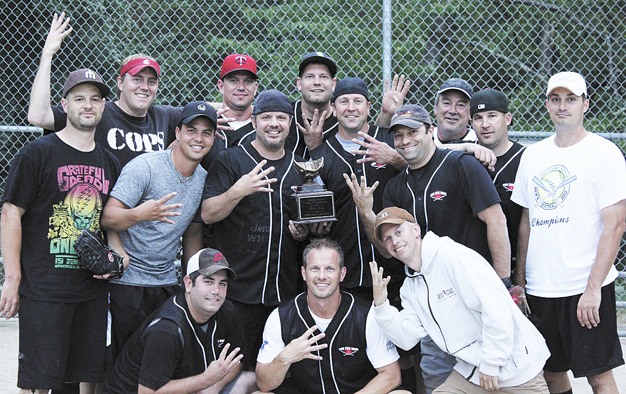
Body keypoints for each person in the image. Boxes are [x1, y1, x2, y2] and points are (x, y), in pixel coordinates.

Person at [347, 104, 511, 393]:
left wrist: (504, 283)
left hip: (472, 297)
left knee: (494, 378)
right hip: (430, 303)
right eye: (398, 135)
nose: (406, 140)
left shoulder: (461, 165)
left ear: (431, 131)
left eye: (413, 132)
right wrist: (366, 212)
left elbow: (496, 221)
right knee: (437, 378)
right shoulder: (397, 187)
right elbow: (388, 249)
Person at [0, 68, 121, 392]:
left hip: (91, 292)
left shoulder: (109, 162)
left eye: (95, 99)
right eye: (79, 98)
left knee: (87, 377)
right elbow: (11, 213)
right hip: (44, 289)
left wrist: (116, 258)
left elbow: (111, 220)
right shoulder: (37, 153)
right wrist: (12, 279)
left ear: (104, 106)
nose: (87, 105)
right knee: (37, 381)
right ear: (64, 105)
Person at [511, 71, 626, 394]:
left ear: (585, 104)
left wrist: (592, 290)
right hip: (542, 288)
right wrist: (521, 281)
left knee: (598, 376)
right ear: (547, 105)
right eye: (556, 99)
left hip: (584, 285)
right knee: (551, 372)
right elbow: (527, 221)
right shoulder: (533, 155)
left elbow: (616, 223)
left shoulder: (603, 153)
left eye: (571, 99)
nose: (563, 106)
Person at [369, 207, 550, 393]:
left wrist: (491, 363)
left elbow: (497, 309)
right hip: (473, 374)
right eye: (388, 238)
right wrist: (381, 305)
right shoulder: (411, 287)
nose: (395, 241)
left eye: (399, 232)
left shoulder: (454, 258)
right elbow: (406, 339)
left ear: (416, 230)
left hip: (516, 370)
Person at [100, 101, 217, 366]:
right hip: (127, 283)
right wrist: (140, 214)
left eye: (206, 132)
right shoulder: (146, 167)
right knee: (119, 364)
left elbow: (192, 232)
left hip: (165, 283)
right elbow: (108, 217)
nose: (198, 138)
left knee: (157, 363)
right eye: (191, 130)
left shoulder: (203, 179)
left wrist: (193, 279)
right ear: (177, 132)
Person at [201, 89, 307, 368]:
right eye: (267, 117)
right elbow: (208, 214)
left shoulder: (300, 168)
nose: (274, 123)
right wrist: (237, 191)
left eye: (281, 117)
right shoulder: (231, 159)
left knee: (274, 369)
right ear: (255, 121)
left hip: (282, 291)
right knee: (232, 368)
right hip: (237, 291)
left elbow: (306, 229)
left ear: (290, 124)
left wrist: (304, 232)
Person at [27, 13, 180, 168]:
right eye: (137, 79)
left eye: (152, 81)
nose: (145, 87)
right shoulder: (97, 111)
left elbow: (203, 113)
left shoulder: (165, 116)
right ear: (120, 83)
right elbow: (38, 116)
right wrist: (47, 55)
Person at [256, 237, 407, 394]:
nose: (322, 276)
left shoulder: (365, 314)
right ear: (303, 273)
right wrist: (284, 358)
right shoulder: (281, 316)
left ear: (342, 274)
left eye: (329, 269)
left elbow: (392, 375)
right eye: (314, 268)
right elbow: (263, 384)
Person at [105, 247, 257, 393]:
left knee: (250, 379)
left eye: (222, 283)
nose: (216, 291)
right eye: (208, 282)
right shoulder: (167, 329)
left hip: (199, 387)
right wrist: (205, 381)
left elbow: (237, 360)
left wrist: (213, 386)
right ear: (189, 283)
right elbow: (146, 392)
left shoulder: (226, 311)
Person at [309, 77, 406, 300]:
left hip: (396, 267)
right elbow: (316, 218)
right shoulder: (319, 156)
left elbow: (423, 169)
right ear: (333, 108)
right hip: (347, 272)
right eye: (343, 101)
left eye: (358, 101)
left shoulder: (390, 141)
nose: (351, 108)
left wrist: (394, 158)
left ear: (369, 107)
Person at [470, 89, 526, 272]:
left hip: (517, 264)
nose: (485, 124)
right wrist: (465, 148)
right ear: (471, 123)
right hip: (472, 265)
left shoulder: (525, 159)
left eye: (492, 116)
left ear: (507, 119)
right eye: (478, 118)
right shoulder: (462, 158)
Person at [285, 51, 338, 158]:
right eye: (310, 76)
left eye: (323, 77)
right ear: (299, 84)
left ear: (333, 84)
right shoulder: (284, 115)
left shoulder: (344, 119)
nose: (317, 82)